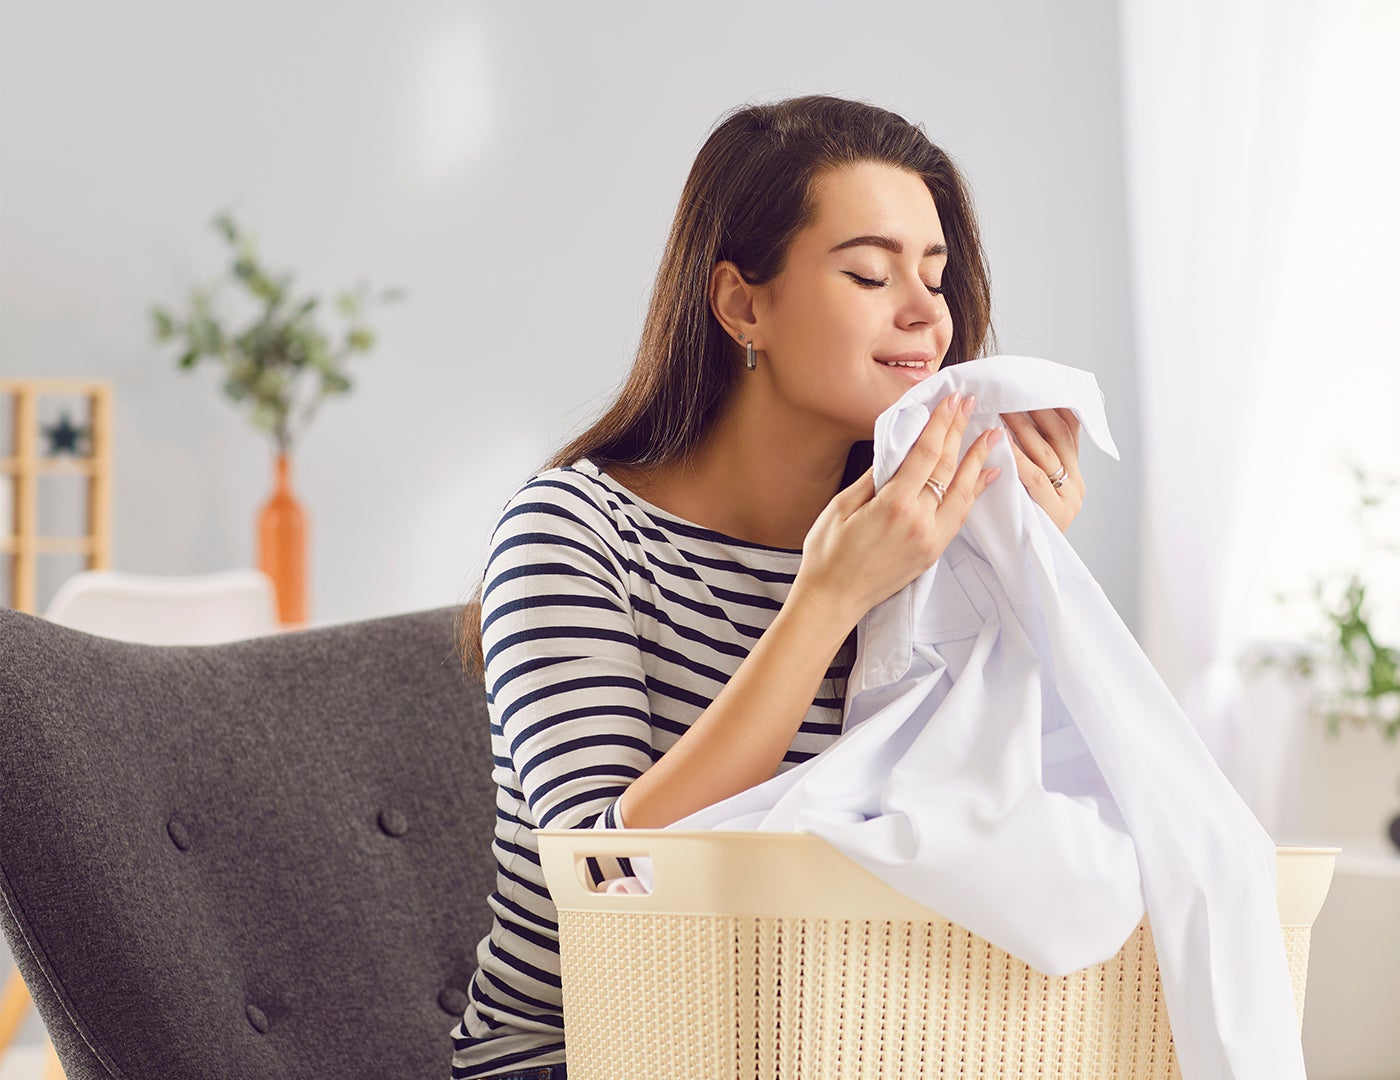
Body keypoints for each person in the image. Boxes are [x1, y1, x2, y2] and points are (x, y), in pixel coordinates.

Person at [447, 93, 1091, 1080]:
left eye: (936, 274)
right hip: (586, 1054)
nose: (924, 311)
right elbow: (611, 886)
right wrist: (824, 603)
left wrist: (1018, 582)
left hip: (835, 1038)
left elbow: (983, 837)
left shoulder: (922, 545)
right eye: (869, 273)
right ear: (744, 305)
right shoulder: (571, 531)